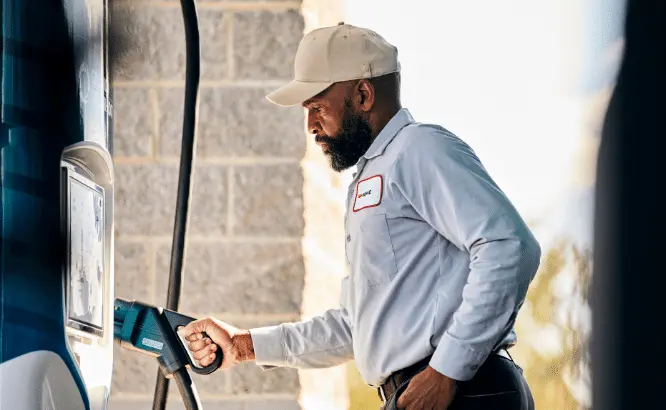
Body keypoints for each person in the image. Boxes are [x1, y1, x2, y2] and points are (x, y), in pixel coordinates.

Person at [183, 22, 540, 410]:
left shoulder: (418, 148)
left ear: (363, 94)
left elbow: (509, 247)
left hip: (464, 392)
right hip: (421, 392)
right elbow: (356, 325)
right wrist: (243, 345)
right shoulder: (371, 178)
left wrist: (446, 372)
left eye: (317, 107)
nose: (311, 126)